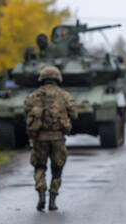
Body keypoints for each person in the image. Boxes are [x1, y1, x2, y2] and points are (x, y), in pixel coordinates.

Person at [24, 66, 77, 211]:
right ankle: (52, 199)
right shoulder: (64, 95)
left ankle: (41, 194)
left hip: (40, 137)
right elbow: (74, 113)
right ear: (57, 78)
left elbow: (26, 109)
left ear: (42, 78)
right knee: (57, 167)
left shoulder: (34, 95)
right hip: (58, 137)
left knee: (39, 166)